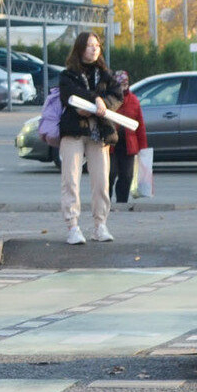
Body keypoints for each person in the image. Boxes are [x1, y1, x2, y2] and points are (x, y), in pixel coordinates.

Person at [56, 31, 122, 245]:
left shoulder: (106, 74)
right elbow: (69, 94)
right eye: (89, 45)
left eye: (97, 45)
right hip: (74, 130)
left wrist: (101, 106)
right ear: (80, 49)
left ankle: (100, 225)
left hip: (99, 132)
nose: (94, 49)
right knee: (71, 180)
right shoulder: (68, 74)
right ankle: (73, 226)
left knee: (102, 181)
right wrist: (95, 100)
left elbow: (117, 96)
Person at [105, 70, 147, 204]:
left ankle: (122, 203)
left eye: (125, 83)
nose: (123, 86)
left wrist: (143, 148)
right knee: (110, 175)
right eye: (120, 83)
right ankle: (106, 202)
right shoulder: (108, 98)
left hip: (128, 146)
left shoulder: (134, 100)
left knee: (127, 176)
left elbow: (140, 126)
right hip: (110, 145)